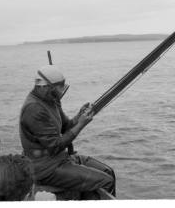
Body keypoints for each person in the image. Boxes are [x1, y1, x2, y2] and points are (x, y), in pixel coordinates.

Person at [19, 65, 116, 200]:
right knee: (107, 181)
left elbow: (66, 127)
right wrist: (81, 124)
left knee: (108, 172)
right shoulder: (34, 109)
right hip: (45, 169)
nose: (62, 90)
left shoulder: (50, 101)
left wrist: (79, 116)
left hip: (60, 159)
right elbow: (55, 146)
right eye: (59, 86)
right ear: (46, 87)